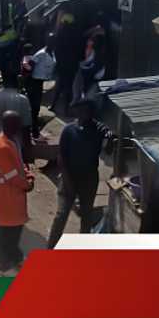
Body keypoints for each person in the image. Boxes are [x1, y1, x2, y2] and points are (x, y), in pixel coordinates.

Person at [47, 93, 111, 249]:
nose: (83, 114)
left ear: (91, 113)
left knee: (86, 214)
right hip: (69, 177)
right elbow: (61, 157)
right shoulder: (69, 130)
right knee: (61, 215)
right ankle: (50, 248)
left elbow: (108, 150)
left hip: (89, 178)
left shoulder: (98, 130)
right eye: (80, 110)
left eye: (87, 111)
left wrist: (109, 137)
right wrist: (67, 180)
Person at [0, 110, 34, 276]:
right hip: (7, 198)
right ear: (7, 125)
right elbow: (11, 175)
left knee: (13, 233)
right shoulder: (3, 147)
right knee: (8, 236)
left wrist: (29, 175)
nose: (17, 127)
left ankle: (14, 261)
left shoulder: (10, 141)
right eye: (14, 124)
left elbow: (19, 164)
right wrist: (27, 184)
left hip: (12, 197)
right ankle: (5, 266)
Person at [0, 71, 33, 164]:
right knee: (16, 171)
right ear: (18, 83)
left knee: (1, 170)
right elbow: (26, 127)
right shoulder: (22, 99)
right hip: (16, 145)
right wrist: (28, 150)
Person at [25, 42, 56, 136]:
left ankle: (33, 127)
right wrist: (27, 78)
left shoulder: (52, 52)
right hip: (34, 81)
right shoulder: (41, 53)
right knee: (34, 106)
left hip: (40, 81)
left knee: (36, 106)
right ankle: (33, 130)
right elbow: (29, 65)